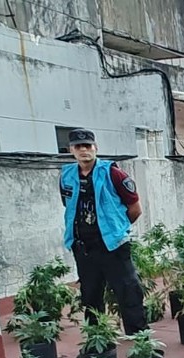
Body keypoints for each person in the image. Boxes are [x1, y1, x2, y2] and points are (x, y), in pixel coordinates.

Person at [59, 128, 148, 343]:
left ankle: (141, 342)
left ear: (95, 148)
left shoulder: (113, 174)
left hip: (113, 246)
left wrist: (116, 230)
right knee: (90, 296)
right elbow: (68, 205)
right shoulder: (66, 176)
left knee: (128, 292)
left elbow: (135, 209)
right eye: (78, 146)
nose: (84, 150)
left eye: (87, 146)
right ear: (71, 150)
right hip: (84, 248)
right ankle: (97, 341)